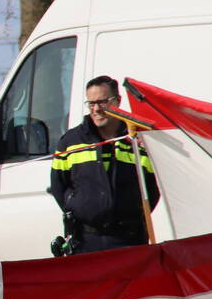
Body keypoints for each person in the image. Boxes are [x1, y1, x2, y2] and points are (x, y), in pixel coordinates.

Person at [50, 76, 159, 254]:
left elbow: (153, 189)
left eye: (102, 102)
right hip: (86, 241)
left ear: (118, 101)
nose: (96, 109)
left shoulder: (138, 139)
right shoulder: (70, 141)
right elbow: (58, 186)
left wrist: (131, 210)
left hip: (130, 239)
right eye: (91, 103)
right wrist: (80, 206)